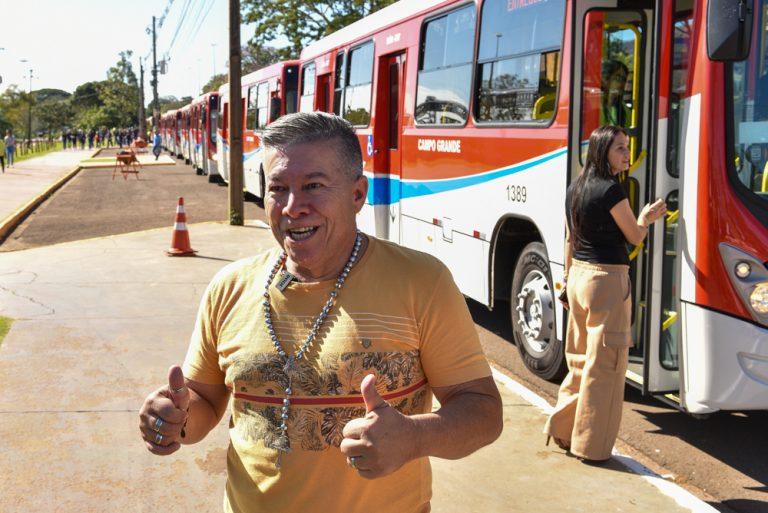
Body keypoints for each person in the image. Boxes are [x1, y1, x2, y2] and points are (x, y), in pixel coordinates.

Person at [139, 112, 503, 513]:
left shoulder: (421, 281)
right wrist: (176, 418)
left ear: (357, 194)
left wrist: (415, 437)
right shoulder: (229, 287)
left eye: (313, 185)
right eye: (278, 188)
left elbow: (482, 411)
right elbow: (203, 402)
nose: (294, 207)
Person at [544, 125, 666, 462]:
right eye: (619, 149)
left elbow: (570, 239)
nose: (626, 154)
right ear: (602, 152)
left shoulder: (576, 187)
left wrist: (567, 282)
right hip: (607, 282)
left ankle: (562, 430)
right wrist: (646, 217)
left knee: (580, 361)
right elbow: (635, 235)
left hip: (579, 277)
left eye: (627, 147)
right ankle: (592, 449)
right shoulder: (612, 191)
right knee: (607, 368)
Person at [600, 60, 632, 129]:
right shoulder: (595, 104)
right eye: (618, 78)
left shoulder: (624, 109)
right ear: (605, 80)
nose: (622, 84)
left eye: (624, 79)